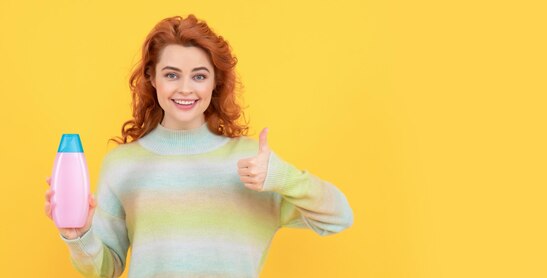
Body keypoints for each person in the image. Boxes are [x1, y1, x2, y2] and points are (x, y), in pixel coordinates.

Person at [43, 14, 354, 277]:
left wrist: (282, 176)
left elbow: (339, 217)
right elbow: (105, 268)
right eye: (172, 74)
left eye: (199, 76)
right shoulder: (123, 165)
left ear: (215, 81)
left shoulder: (252, 164)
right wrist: (78, 236)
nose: (185, 88)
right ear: (152, 78)